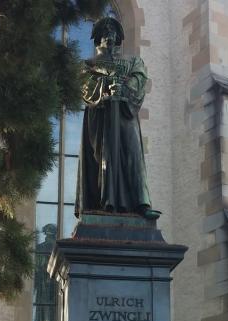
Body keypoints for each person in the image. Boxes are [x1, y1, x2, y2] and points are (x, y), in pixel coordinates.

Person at [75, 17, 160, 220]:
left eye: (112, 32)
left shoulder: (132, 61)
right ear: (97, 39)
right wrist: (106, 87)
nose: (108, 36)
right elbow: (85, 86)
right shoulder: (87, 64)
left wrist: (123, 87)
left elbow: (139, 78)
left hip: (125, 114)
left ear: (119, 37)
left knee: (133, 154)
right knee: (102, 158)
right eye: (104, 33)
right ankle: (103, 204)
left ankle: (140, 204)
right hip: (100, 117)